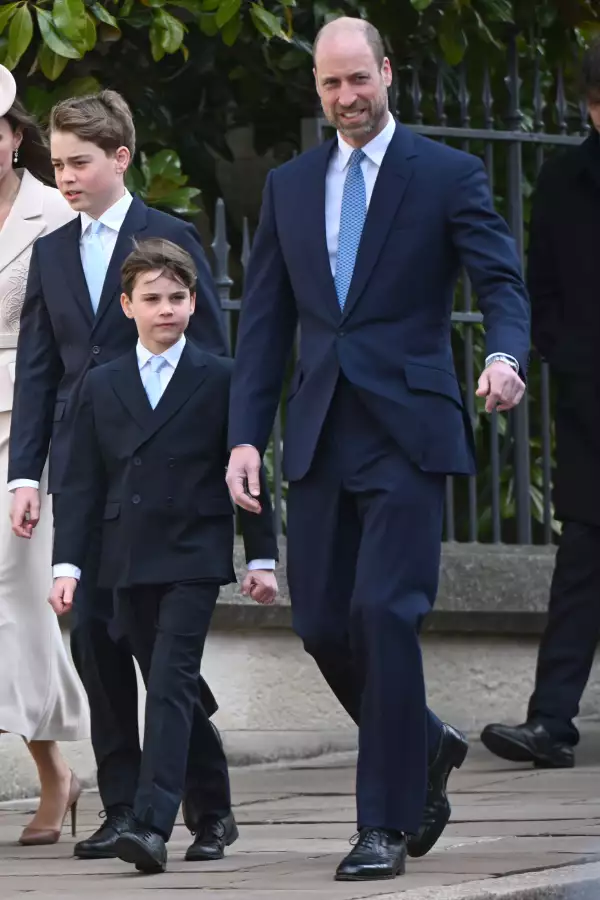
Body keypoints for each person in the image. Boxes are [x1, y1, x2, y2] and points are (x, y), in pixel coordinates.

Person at [226, 17, 529, 883]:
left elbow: (500, 282)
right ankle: (423, 745)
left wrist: (505, 357)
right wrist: (245, 434)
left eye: (359, 80)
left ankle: (384, 824)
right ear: (316, 90)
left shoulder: (445, 173)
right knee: (322, 624)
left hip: (409, 429)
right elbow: (265, 326)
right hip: (321, 431)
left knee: (384, 615)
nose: (347, 99)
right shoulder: (288, 186)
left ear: (386, 73)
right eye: (330, 85)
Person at [8, 90, 230, 860]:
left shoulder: (170, 237)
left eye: (78, 163)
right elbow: (38, 371)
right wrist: (23, 475)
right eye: (58, 163)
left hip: (164, 478)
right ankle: (124, 804)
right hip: (83, 473)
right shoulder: (55, 250)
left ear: (121, 158)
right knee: (97, 647)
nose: (63, 177)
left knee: (157, 655)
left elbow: (213, 363)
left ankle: (209, 803)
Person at [48, 237, 278, 873]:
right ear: (127, 306)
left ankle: (151, 826)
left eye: (178, 297)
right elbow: (83, 483)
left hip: (194, 552)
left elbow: (254, 470)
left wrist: (262, 559)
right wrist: (67, 565)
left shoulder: (224, 378)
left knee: (171, 681)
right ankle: (216, 814)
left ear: (193, 301)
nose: (166, 309)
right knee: (172, 686)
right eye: (152, 298)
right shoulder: (102, 383)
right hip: (124, 556)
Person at [481, 38, 600, 769]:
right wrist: (568, 359)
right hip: (593, 405)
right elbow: (542, 286)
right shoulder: (563, 179)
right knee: (582, 559)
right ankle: (551, 723)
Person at [0, 64, 88, 846]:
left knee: (16, 595)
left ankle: (57, 769)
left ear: (14, 136)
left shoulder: (54, 213)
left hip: (28, 428)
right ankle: (56, 767)